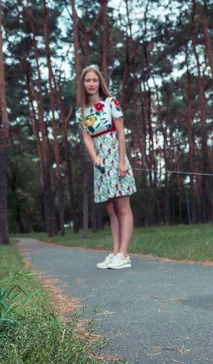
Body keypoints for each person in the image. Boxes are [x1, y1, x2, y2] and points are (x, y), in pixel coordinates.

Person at [77, 65, 136, 270]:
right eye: (87, 81)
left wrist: (121, 162)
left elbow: (121, 133)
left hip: (116, 158)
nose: (91, 84)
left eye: (94, 80)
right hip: (100, 163)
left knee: (122, 206)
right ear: (83, 85)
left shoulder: (111, 103)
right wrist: (94, 158)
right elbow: (86, 136)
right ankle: (115, 252)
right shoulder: (82, 112)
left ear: (99, 82)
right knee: (110, 209)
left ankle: (124, 254)